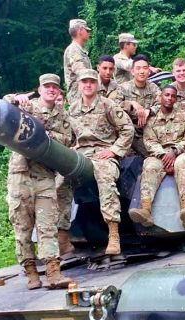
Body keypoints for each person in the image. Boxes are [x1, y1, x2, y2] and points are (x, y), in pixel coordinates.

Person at [4, 74, 73, 290]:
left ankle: (53, 272)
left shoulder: (63, 115)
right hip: (21, 173)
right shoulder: (26, 106)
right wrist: (16, 99)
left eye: (54, 87)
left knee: (47, 226)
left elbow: (68, 140)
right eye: (47, 87)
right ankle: (31, 272)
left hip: (45, 175)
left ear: (58, 92)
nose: (51, 90)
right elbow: (1, 107)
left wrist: (45, 135)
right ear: (39, 89)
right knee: (23, 227)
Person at [68, 69, 134, 255]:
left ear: (97, 85)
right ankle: (62, 233)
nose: (88, 85)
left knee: (104, 177)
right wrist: (71, 147)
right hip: (80, 156)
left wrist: (114, 150)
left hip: (103, 155)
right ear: (79, 85)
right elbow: (68, 137)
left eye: (91, 81)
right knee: (58, 181)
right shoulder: (72, 110)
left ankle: (113, 234)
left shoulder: (108, 105)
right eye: (84, 82)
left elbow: (127, 129)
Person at [129, 85, 185, 228]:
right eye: (166, 95)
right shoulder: (151, 118)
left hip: (180, 152)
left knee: (182, 164)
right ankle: (146, 209)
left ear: (176, 99)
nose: (169, 98)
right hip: (159, 154)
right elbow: (149, 141)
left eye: (172, 96)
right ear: (160, 97)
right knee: (150, 165)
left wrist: (174, 152)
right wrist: (164, 155)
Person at [114, 54, 161, 157]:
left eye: (145, 68)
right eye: (138, 68)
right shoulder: (123, 88)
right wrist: (131, 103)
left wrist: (149, 110)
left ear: (149, 70)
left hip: (149, 129)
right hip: (129, 130)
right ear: (132, 71)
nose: (142, 71)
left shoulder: (153, 88)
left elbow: (162, 103)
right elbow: (114, 107)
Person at [63, 19, 92, 104]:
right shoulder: (73, 50)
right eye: (87, 30)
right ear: (80, 30)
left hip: (83, 93)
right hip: (78, 96)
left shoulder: (79, 50)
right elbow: (81, 72)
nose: (88, 33)